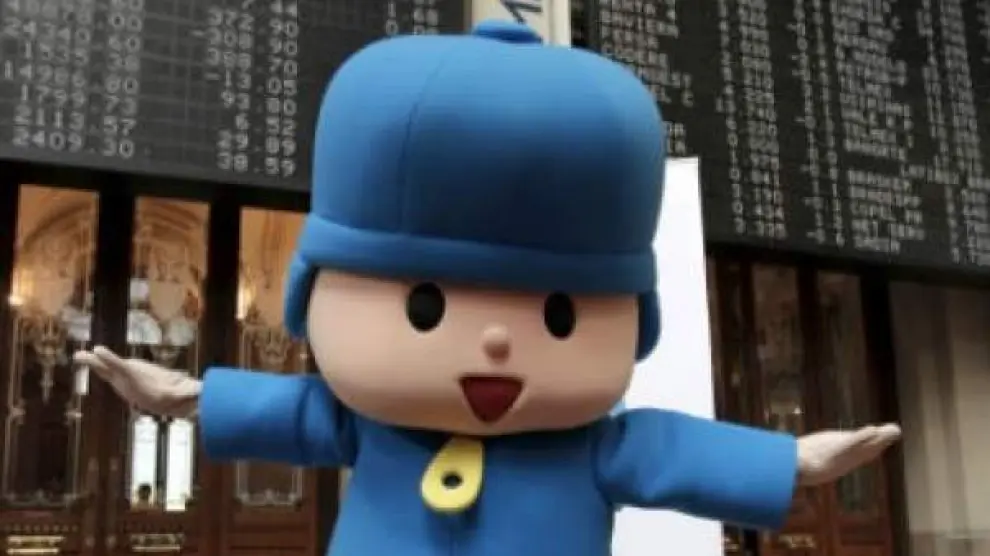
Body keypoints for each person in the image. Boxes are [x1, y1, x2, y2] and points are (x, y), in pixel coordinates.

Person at [74, 20, 900, 556]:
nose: (498, 340)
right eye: (426, 305)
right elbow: (286, 413)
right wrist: (182, 396)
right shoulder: (369, 427)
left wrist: (795, 461)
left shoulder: (595, 447)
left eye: (559, 313)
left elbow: (680, 455)